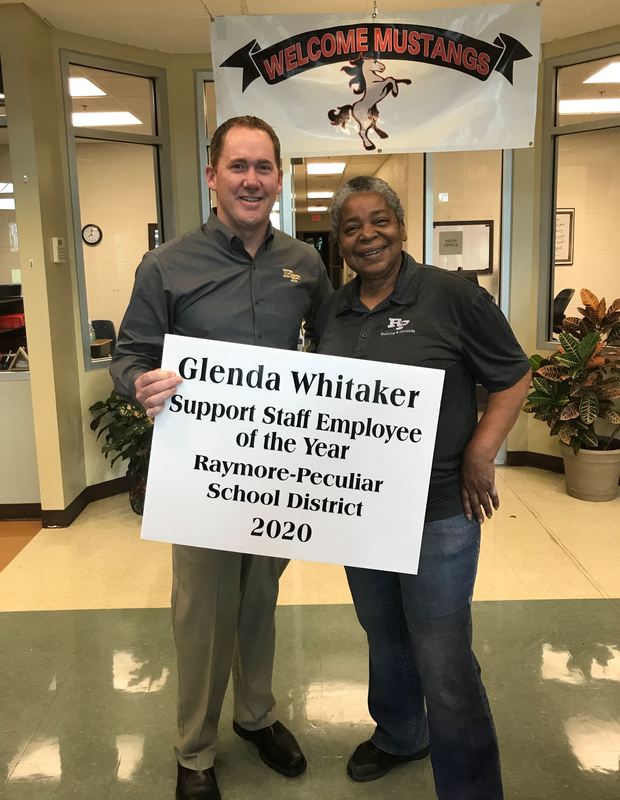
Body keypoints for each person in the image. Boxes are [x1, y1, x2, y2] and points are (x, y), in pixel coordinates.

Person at [110, 116, 332, 800]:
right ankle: (196, 750)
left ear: (279, 179)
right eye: (238, 166)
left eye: (264, 167)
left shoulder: (307, 261)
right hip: (200, 475)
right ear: (212, 176)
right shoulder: (168, 264)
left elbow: (326, 351)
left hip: (273, 471)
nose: (251, 179)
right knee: (203, 612)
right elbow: (129, 356)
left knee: (260, 600)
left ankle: (255, 716)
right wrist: (140, 384)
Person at [315, 176, 531, 800]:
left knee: (442, 654)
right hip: (360, 508)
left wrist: (481, 452)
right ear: (340, 243)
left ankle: (470, 787)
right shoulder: (335, 307)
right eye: (351, 227)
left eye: (378, 221)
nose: (366, 236)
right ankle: (401, 733)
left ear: (403, 228)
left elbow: (512, 375)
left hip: (439, 510)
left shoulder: (451, 296)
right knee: (383, 635)